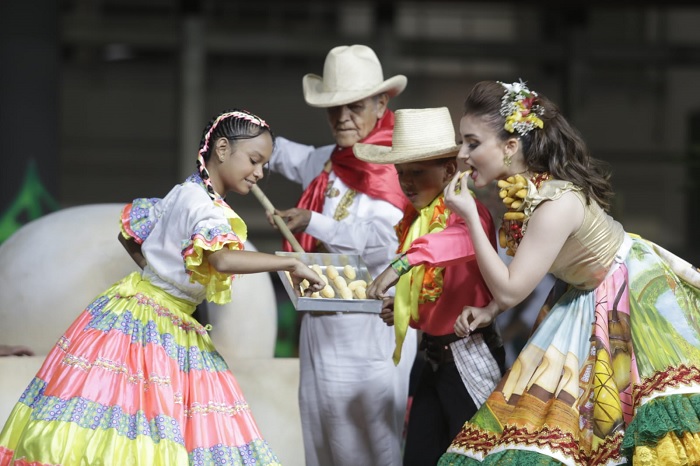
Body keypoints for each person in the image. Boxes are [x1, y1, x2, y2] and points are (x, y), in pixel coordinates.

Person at [0, 109, 325, 466]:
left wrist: (158, 274)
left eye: (264, 163)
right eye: (254, 160)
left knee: (129, 423)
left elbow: (130, 234)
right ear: (221, 149)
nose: (260, 173)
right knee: (154, 427)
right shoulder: (205, 208)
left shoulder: (186, 191)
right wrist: (291, 262)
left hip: (141, 312)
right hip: (156, 323)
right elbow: (223, 260)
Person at [438, 80, 700, 465]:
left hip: (626, 299)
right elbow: (524, 278)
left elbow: (512, 289)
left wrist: (471, 221)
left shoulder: (554, 203)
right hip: (584, 295)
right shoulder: (532, 195)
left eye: (472, 143)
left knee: (633, 427)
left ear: (510, 147)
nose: (462, 154)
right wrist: (492, 310)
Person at [267, 44, 417, 466]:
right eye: (333, 109)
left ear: (381, 103)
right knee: (321, 437)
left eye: (353, 107)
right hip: (321, 325)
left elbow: (381, 242)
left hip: (370, 326)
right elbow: (289, 155)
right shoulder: (334, 161)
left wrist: (313, 222)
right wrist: (246, 136)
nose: (341, 118)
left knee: (370, 442)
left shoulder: (396, 168)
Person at [354, 107, 507, 466]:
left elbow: (457, 243)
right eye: (400, 172)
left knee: (476, 457)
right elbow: (440, 291)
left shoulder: (469, 213)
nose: (406, 182)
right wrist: (409, 311)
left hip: (470, 354)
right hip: (434, 358)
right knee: (421, 457)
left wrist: (402, 263)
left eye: (417, 172)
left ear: (450, 170)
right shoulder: (420, 219)